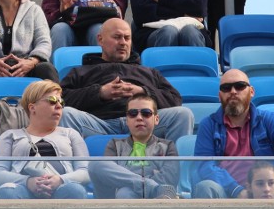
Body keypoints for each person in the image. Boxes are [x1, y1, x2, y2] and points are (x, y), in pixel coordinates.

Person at [59, 18, 194, 142]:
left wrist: (143, 92)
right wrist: (99, 93)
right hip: (100, 124)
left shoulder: (149, 72)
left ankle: (175, 168)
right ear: (100, 40)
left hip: (143, 120)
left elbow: (175, 99)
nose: (123, 42)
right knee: (66, 114)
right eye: (117, 37)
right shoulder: (81, 71)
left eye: (127, 38)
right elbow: (60, 98)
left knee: (182, 114)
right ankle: (76, 167)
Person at [192, 68, 274, 199]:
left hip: (263, 188)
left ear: (251, 92)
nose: (233, 91)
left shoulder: (267, 119)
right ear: (220, 95)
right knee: (206, 187)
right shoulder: (208, 124)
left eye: (240, 86)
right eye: (226, 88)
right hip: (225, 191)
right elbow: (205, 165)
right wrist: (235, 189)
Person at [0, 80, 89, 199]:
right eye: (52, 101)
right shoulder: (10, 136)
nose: (58, 106)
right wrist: (28, 182)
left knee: (75, 190)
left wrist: (61, 180)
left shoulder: (71, 134)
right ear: (32, 108)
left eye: (61, 102)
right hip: (21, 189)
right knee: (8, 190)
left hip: (63, 189)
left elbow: (85, 171)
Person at [88, 93, 179, 199]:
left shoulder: (167, 146)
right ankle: (149, 186)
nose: (139, 118)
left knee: (125, 193)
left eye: (146, 113)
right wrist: (146, 184)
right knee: (96, 164)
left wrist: (132, 184)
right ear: (127, 120)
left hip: (154, 200)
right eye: (133, 113)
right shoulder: (115, 145)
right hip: (113, 199)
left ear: (156, 119)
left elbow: (168, 181)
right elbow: (109, 178)